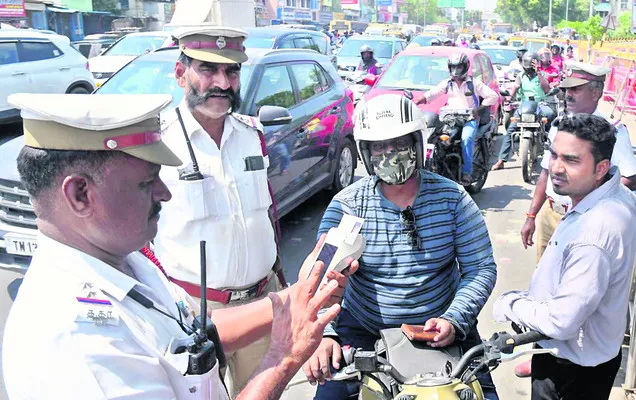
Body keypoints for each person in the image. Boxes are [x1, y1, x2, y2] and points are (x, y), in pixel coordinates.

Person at [2, 93, 356, 399]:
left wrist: (295, 297)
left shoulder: (123, 262)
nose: (165, 193)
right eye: (146, 183)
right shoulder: (80, 346)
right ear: (80, 194)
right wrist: (284, 355)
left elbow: (193, 338)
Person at [303, 94, 499, 400]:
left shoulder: (454, 199)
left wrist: (455, 318)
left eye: (399, 143)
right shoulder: (347, 206)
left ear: (417, 145)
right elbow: (322, 274)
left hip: (441, 330)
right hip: (363, 331)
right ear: (365, 152)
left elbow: (480, 268)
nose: (390, 153)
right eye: (379, 146)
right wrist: (324, 335)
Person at [155, 26, 283, 396]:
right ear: (181, 74)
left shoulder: (251, 135)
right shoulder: (158, 143)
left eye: (232, 72)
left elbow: (267, 218)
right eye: (207, 70)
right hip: (192, 314)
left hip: (260, 305)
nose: (223, 84)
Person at [493, 113, 636, 400]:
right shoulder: (613, 194)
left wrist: (510, 305)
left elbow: (561, 322)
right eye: (554, 156)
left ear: (600, 168)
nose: (556, 168)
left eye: (571, 160)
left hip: (571, 367)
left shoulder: (595, 231)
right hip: (587, 356)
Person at [521, 61, 636, 261]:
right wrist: (531, 216)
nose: (568, 94)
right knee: (544, 280)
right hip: (552, 214)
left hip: (587, 221)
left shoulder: (612, 131)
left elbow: (630, 177)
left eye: (576, 89)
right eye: (566, 89)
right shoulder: (560, 125)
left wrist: (589, 201)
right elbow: (546, 173)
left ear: (596, 93)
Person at [419, 52, 499, 184]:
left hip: (469, 119)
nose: (456, 71)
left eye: (459, 68)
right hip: (450, 119)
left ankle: (466, 173)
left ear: (465, 67)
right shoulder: (447, 83)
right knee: (436, 139)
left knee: (466, 139)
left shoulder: (473, 83)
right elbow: (433, 93)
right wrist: (420, 100)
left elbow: (493, 96)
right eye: (453, 67)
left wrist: (478, 109)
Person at [492, 52, 556, 171]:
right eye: (527, 64)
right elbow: (515, 88)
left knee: (551, 118)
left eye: (532, 64)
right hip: (524, 106)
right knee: (510, 131)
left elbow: (546, 89)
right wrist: (509, 98)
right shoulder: (520, 76)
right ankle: (501, 160)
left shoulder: (541, 75)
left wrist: (538, 73)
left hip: (540, 105)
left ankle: (552, 157)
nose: (529, 67)